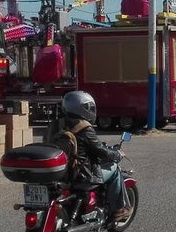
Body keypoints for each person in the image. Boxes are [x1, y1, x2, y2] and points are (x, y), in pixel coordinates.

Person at [54, 91, 132, 224]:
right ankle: (118, 210)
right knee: (114, 169)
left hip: (60, 173)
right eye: (88, 107)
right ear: (81, 108)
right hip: (81, 175)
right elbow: (100, 150)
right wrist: (117, 154)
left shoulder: (56, 125)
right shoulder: (83, 127)